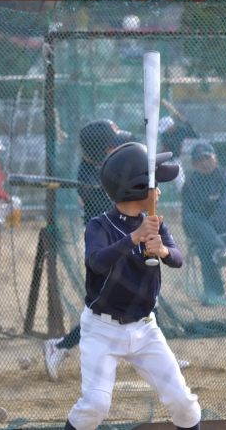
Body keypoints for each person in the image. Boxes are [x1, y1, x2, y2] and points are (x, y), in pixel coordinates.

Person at [61, 142, 201, 430]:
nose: (159, 190)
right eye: (154, 184)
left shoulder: (155, 224)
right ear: (136, 188)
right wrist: (134, 237)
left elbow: (177, 260)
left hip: (145, 328)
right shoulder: (99, 226)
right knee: (95, 405)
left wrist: (163, 250)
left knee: (184, 404)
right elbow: (96, 263)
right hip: (102, 329)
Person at [44, 120, 189, 381]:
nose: (116, 146)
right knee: (107, 306)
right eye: (111, 143)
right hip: (106, 243)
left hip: (130, 236)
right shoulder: (89, 174)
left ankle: (160, 356)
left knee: (145, 294)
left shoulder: (106, 169)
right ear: (99, 148)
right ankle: (60, 345)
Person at [182, 142, 226, 301]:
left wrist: (206, 231)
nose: (204, 163)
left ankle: (213, 294)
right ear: (194, 164)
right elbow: (187, 216)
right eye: (199, 160)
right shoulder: (190, 183)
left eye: (207, 157)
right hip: (211, 236)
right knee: (191, 219)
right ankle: (221, 251)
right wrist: (206, 232)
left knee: (204, 245)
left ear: (215, 158)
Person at [158, 116, 199, 193]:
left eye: (166, 129)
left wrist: (189, 127)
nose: (165, 131)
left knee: (181, 183)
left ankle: (186, 197)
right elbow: (173, 144)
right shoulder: (164, 135)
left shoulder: (181, 130)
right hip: (163, 160)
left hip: (175, 161)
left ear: (172, 127)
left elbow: (196, 136)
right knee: (153, 180)